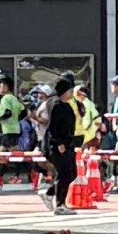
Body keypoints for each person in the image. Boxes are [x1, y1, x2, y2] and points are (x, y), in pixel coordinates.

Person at [44, 73, 80, 211]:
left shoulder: (67, 105)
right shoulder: (56, 105)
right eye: (70, 90)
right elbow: (53, 127)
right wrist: (59, 143)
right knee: (64, 173)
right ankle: (60, 205)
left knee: (72, 173)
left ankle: (50, 193)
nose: (71, 93)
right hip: (58, 145)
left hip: (69, 143)